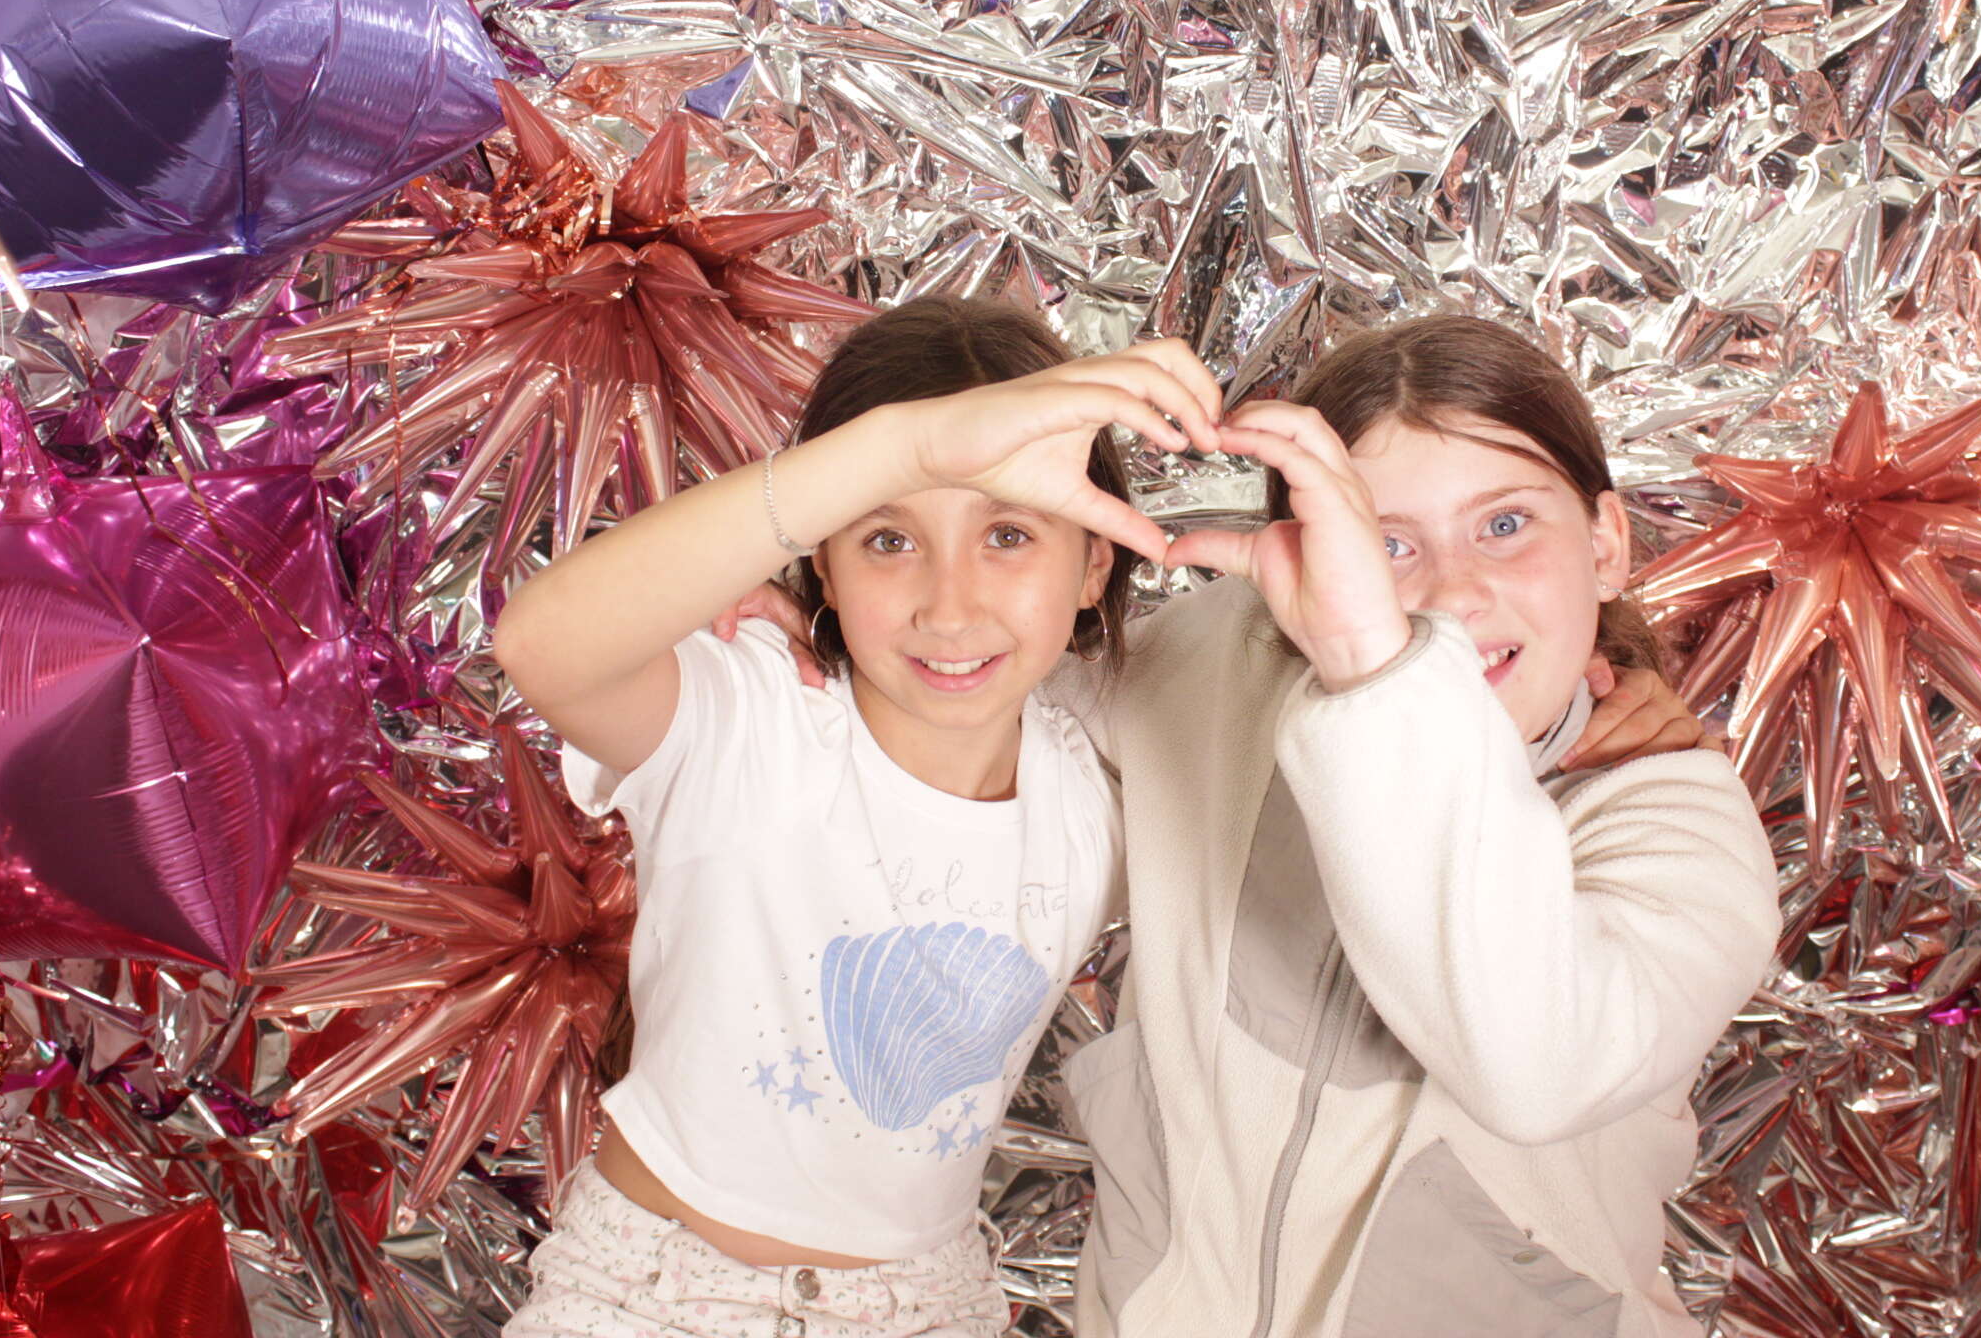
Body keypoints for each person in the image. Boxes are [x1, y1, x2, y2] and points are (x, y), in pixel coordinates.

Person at [727, 312, 1781, 1336]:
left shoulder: (1676, 821)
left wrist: (1381, 663)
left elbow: (1538, 1068)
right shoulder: (1232, 663)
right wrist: (810, 634)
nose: (1454, 594)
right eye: (1384, 541)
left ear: (1605, 544)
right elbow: (982, 704)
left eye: (1506, 525)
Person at [491, 296, 1228, 1338]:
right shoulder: (753, 713)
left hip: (930, 1304)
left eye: (1008, 535)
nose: (949, 606)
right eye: (888, 538)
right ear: (822, 564)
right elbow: (541, 644)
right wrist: (902, 446)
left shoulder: (1096, 794)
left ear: (1094, 563)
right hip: (651, 1294)